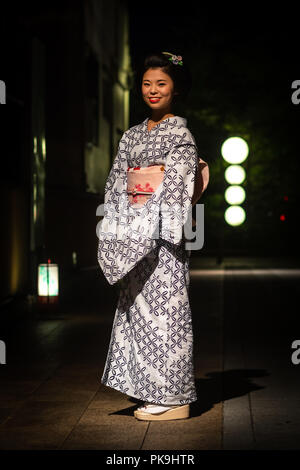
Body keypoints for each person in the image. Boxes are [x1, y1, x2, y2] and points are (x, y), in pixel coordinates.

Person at [97, 51, 209, 421]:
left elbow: (175, 185)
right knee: (137, 314)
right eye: (147, 83)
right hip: (133, 232)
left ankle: (174, 396)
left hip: (161, 240)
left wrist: (143, 219)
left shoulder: (181, 134)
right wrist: (121, 225)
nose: (152, 90)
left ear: (175, 89)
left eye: (161, 83)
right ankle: (149, 389)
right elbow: (116, 182)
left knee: (167, 316)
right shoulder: (131, 134)